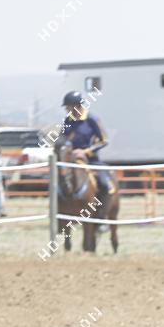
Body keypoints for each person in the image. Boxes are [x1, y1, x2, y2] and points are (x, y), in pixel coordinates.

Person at [59, 91, 111, 231]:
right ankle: (60, 218)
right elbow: (62, 140)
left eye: (69, 107)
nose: (67, 110)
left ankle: (102, 218)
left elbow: (104, 141)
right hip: (70, 162)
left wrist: (85, 152)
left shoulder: (92, 119)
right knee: (58, 183)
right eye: (66, 107)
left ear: (77, 106)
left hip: (91, 161)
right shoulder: (67, 121)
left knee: (104, 184)